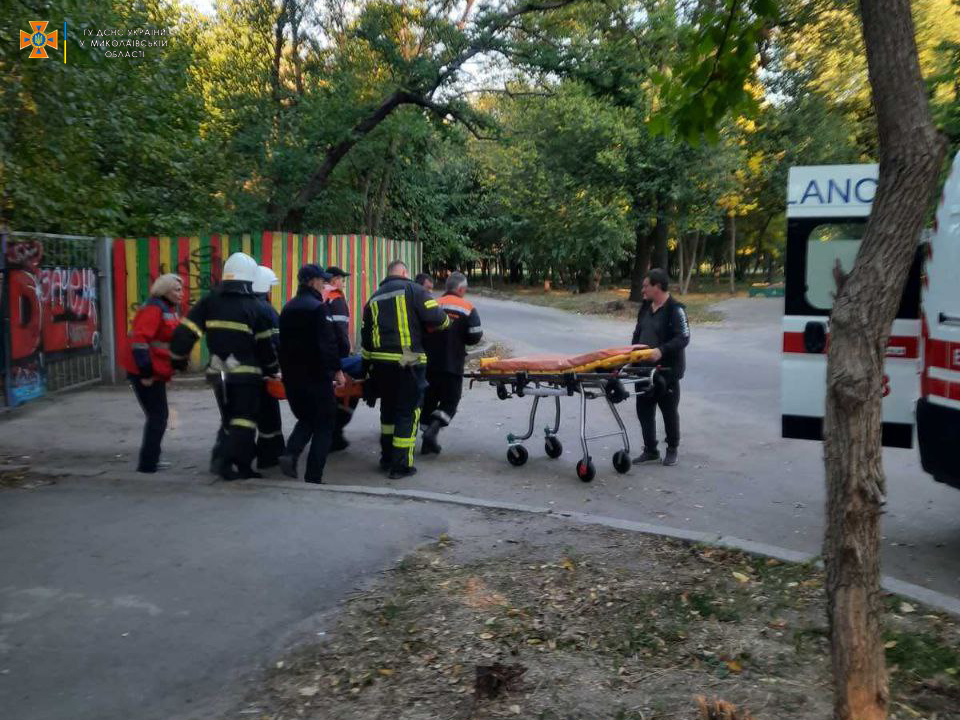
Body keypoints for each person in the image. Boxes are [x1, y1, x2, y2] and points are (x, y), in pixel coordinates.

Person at [170, 252, 281, 481]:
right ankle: (232, 463)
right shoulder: (256, 307)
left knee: (230, 418)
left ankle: (229, 461)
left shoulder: (209, 301)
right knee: (244, 419)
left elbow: (185, 333)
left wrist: (177, 359)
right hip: (246, 375)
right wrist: (272, 370)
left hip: (218, 372)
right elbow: (265, 347)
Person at [361, 260, 450, 478]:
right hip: (408, 362)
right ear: (404, 272)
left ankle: (387, 458)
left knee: (389, 411)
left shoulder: (373, 298)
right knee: (408, 412)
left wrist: (366, 372)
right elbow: (440, 319)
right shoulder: (414, 290)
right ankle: (401, 466)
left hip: (381, 365)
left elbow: (366, 341)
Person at [277, 265, 349, 484]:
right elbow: (327, 345)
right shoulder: (318, 308)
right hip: (317, 377)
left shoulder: (288, 308)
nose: (324, 284)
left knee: (307, 417)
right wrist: (337, 371)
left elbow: (282, 345)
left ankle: (290, 454)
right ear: (311, 282)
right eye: (322, 280)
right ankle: (313, 477)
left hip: (292, 378)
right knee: (325, 424)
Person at [120, 273, 183, 473]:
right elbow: (140, 341)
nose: (181, 293)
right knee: (158, 417)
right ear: (165, 291)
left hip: (154, 370)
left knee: (157, 416)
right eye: (177, 289)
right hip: (146, 371)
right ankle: (148, 463)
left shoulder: (165, 308)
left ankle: (150, 460)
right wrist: (146, 373)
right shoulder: (155, 309)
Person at [630, 268, 690, 467]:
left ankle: (672, 448)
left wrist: (662, 351)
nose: (643, 290)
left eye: (646, 286)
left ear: (657, 286)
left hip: (666, 371)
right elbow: (638, 333)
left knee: (668, 410)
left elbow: (683, 337)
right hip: (643, 370)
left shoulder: (676, 309)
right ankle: (650, 450)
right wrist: (631, 356)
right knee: (643, 410)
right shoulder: (646, 307)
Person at [421, 272, 483, 455]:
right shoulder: (468, 307)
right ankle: (432, 432)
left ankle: (427, 442)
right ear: (461, 289)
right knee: (450, 401)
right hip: (452, 364)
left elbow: (421, 328)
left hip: (429, 364)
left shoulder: (433, 304)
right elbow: (475, 335)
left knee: (429, 401)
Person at [252, 265, 284, 469]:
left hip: (244, 372)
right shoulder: (265, 310)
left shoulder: (246, 305)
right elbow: (275, 342)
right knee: (269, 416)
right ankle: (269, 456)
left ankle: (268, 453)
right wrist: (277, 369)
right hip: (264, 372)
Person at [323, 265, 355, 451]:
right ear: (334, 280)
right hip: (335, 357)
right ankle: (336, 433)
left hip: (316, 357)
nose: (343, 283)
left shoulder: (318, 296)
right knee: (351, 392)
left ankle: (333, 434)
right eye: (342, 280)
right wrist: (345, 356)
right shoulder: (336, 299)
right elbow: (341, 334)